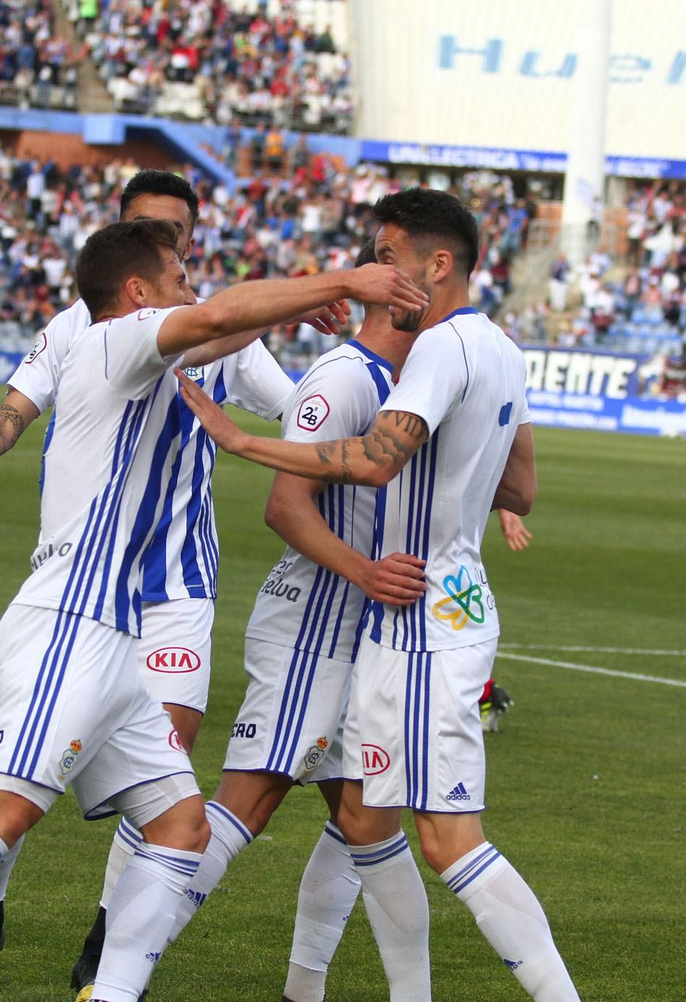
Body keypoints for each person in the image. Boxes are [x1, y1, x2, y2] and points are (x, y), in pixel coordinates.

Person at [0, 218, 425, 1002]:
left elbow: (226, 328)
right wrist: (342, 282)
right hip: (71, 616)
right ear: (135, 294)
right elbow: (218, 317)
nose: (191, 284)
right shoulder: (114, 340)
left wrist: (295, 308)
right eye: (177, 273)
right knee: (1, 810)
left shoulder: (145, 349)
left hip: (118, 635)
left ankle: (113, 993)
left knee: (180, 827)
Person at [178, 188, 579, 1001]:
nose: (375, 270)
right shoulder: (501, 347)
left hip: (422, 617)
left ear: (437, 265)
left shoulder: (437, 349)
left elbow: (372, 460)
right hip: (448, 602)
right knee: (362, 821)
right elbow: (523, 488)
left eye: (388, 255)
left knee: (449, 841)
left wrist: (242, 437)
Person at [0, 170, 320, 999]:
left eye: (179, 228)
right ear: (126, 238)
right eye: (152, 228)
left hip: (178, 583)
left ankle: (106, 946)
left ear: (194, 235)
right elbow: (11, 417)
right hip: (78, 582)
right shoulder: (81, 325)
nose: (170, 241)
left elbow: (297, 411)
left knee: (165, 767)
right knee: (26, 765)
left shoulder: (226, 327)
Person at [146, 241, 429, 1002]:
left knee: (361, 815)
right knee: (249, 802)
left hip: (357, 630)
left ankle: (302, 990)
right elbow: (283, 505)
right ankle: (117, 974)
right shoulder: (342, 377)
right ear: (401, 299)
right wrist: (366, 571)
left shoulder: (398, 382)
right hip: (313, 623)